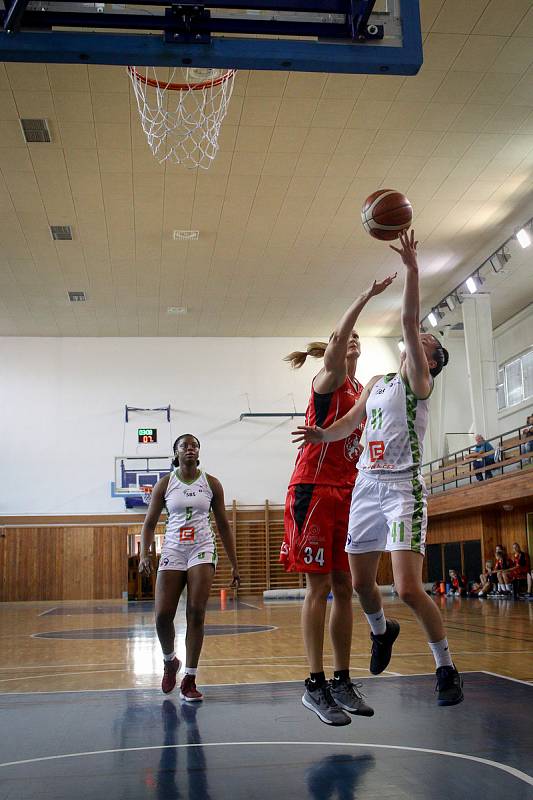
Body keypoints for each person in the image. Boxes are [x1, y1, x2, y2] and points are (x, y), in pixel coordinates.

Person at [293, 229, 463, 707]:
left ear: (430, 359)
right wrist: (321, 434)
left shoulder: (417, 380)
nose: (419, 337)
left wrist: (411, 269)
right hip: (365, 486)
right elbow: (350, 420)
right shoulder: (377, 380)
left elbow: (410, 320)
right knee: (361, 583)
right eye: (421, 337)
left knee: (407, 587)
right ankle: (380, 631)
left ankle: (445, 667)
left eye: (426, 341)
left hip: (402, 489)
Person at [280, 272, 396, 726]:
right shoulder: (327, 379)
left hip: (350, 493)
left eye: (356, 341)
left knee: (345, 586)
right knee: (319, 587)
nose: (352, 343)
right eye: (344, 339)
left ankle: (342, 680)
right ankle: (314, 685)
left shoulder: (361, 391)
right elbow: (338, 344)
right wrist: (366, 295)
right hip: (312, 489)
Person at [139, 434, 240, 699]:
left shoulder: (212, 484)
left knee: (196, 611)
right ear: (176, 453)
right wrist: (144, 555)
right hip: (173, 549)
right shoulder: (165, 484)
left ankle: (190, 679)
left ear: (198, 452)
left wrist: (234, 563)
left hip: (202, 549)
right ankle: (170, 660)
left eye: (194, 445)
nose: (190, 449)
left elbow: (224, 525)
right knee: (162, 616)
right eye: (184, 445)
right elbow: (149, 524)